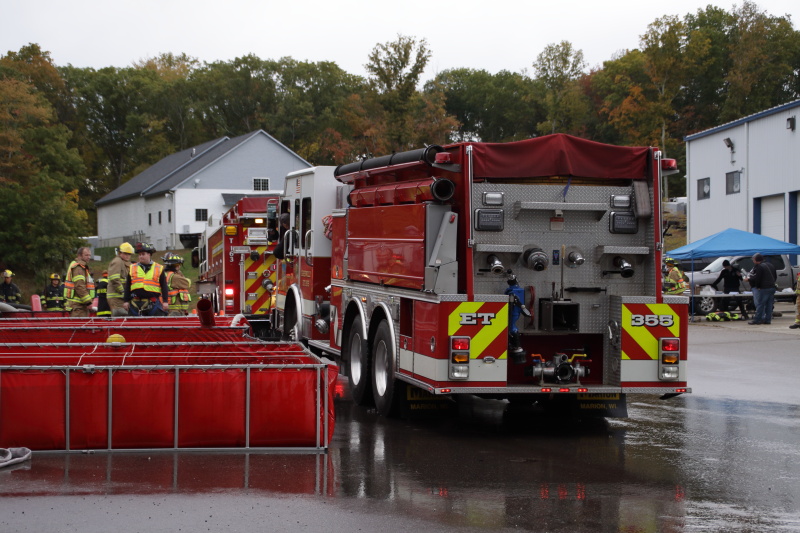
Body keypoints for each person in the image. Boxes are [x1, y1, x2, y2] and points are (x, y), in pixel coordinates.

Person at [123, 242, 170, 316]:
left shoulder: (159, 268)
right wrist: (125, 301)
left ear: (149, 254)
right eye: (139, 255)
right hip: (135, 304)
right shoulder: (132, 268)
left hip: (153, 303)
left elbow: (164, 286)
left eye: (143, 254)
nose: (141, 256)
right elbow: (127, 286)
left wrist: (165, 301)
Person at [745, 253, 776, 325]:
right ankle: (768, 320)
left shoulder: (759, 267)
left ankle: (757, 320)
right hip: (772, 287)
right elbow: (775, 276)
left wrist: (758, 286)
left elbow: (758, 278)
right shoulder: (770, 265)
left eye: (753, 260)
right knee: (769, 305)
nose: (753, 261)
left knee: (760, 304)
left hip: (763, 288)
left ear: (756, 260)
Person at [64, 247, 95, 317]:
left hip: (80, 306)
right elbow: (79, 286)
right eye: (86, 255)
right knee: (79, 327)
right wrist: (88, 302)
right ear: (79, 255)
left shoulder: (82, 267)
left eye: (89, 255)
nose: (89, 257)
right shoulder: (78, 268)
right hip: (78, 307)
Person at [108, 242, 134, 316]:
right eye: (125, 254)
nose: (128, 256)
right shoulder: (117, 262)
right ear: (120, 253)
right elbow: (114, 279)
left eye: (129, 254)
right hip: (117, 297)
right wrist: (123, 292)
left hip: (119, 297)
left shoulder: (122, 262)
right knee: (120, 319)